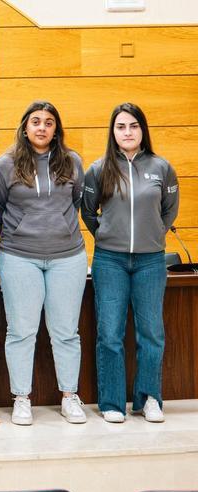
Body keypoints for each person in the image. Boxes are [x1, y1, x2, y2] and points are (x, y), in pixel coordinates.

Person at [0, 100, 87, 426]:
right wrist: (22, 232)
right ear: (25, 127)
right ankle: (21, 398)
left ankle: (70, 397)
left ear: (56, 128)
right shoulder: (5, 165)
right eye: (36, 121)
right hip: (19, 257)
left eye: (48, 122)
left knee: (65, 332)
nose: (42, 127)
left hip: (67, 257)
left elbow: (76, 203)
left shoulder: (72, 162)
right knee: (21, 331)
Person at [82, 103, 179, 424]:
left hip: (151, 261)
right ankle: (111, 402)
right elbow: (88, 212)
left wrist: (153, 236)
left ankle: (149, 397)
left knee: (151, 332)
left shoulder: (161, 167)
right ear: (113, 132)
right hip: (110, 260)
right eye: (121, 126)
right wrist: (108, 236)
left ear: (142, 130)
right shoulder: (99, 169)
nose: (127, 132)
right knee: (109, 332)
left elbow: (168, 212)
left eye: (133, 126)